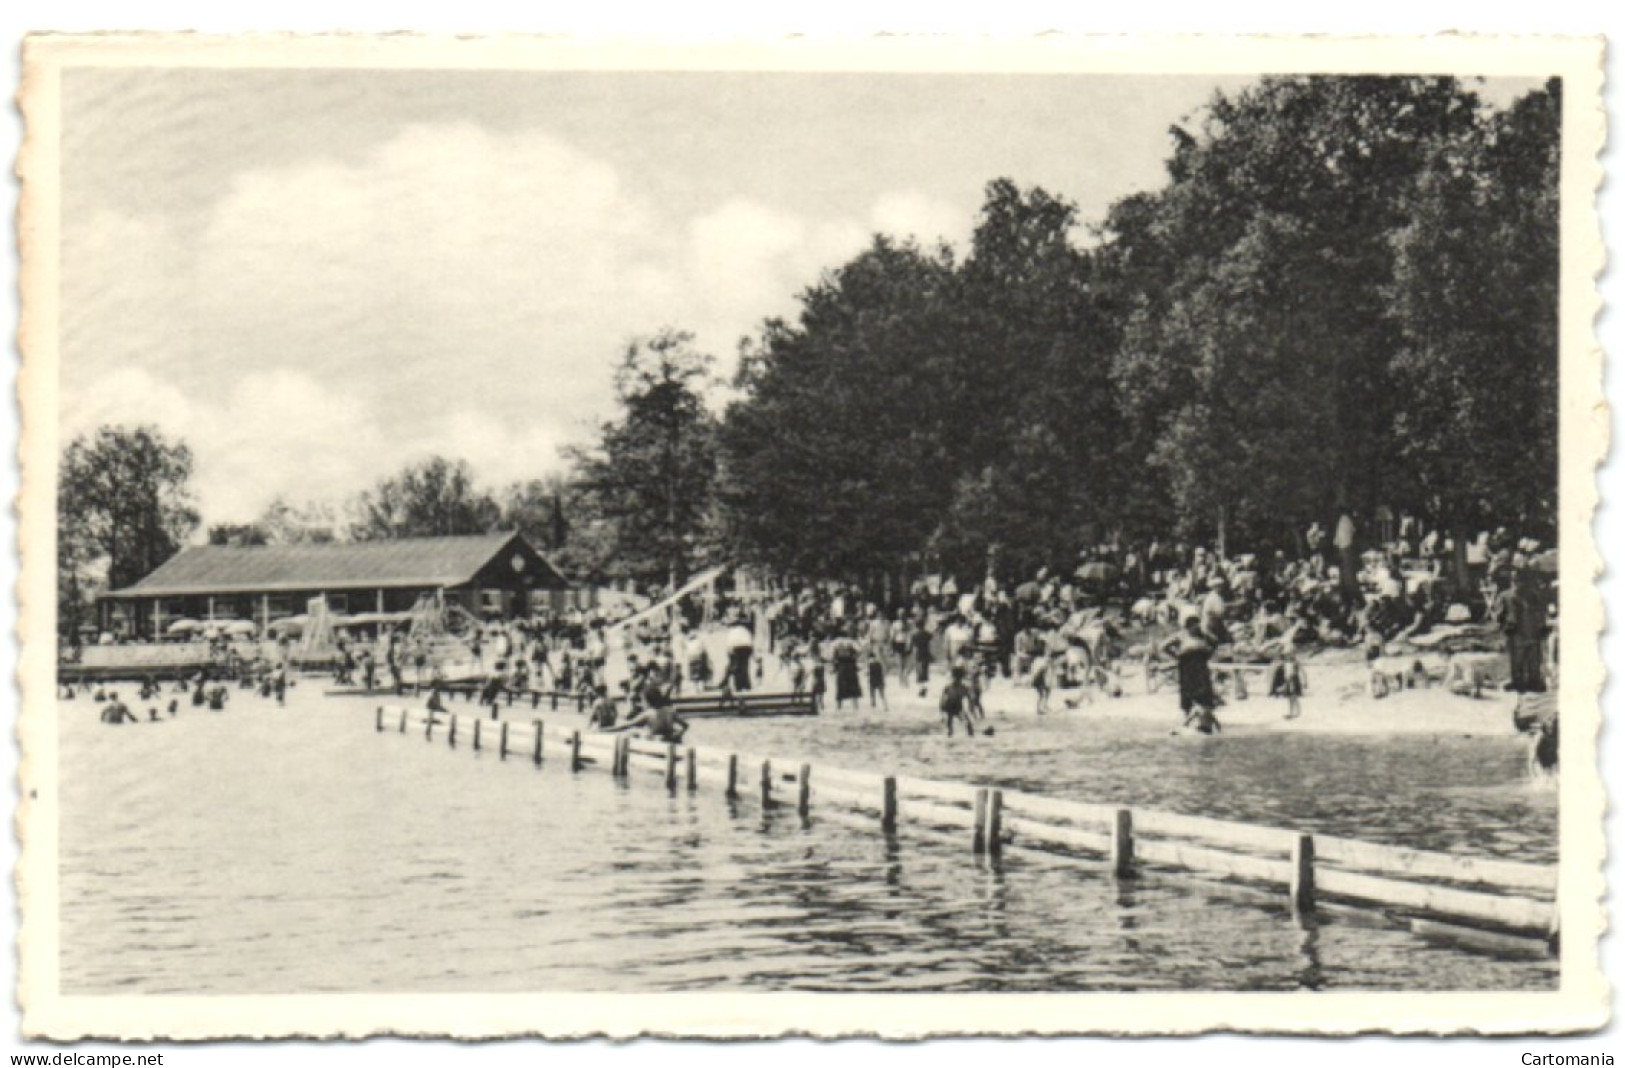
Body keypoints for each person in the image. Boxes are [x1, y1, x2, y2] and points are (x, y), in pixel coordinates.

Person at [1163, 614, 1220, 734]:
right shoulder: (1181, 635)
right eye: (1194, 625)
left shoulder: (1203, 635)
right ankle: (1188, 717)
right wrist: (1176, 655)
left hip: (1200, 664)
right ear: (1188, 627)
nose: (1196, 627)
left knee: (1203, 690)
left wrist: (1209, 652)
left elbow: (1215, 642)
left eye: (1197, 624)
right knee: (1188, 690)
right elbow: (1164, 646)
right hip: (1186, 664)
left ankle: (1206, 719)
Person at [939, 668, 975, 739]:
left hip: (955, 706)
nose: (957, 679)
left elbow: (943, 698)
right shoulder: (959, 687)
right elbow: (970, 697)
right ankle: (952, 732)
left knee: (954, 719)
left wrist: (942, 708)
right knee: (956, 719)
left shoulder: (951, 687)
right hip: (954, 706)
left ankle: (968, 731)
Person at [866, 645, 888, 711]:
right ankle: (881, 706)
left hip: (877, 681)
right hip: (874, 681)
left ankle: (884, 707)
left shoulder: (875, 664)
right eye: (870, 659)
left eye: (871, 658)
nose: (871, 660)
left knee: (879, 695)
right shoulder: (874, 664)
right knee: (875, 695)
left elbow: (882, 673)